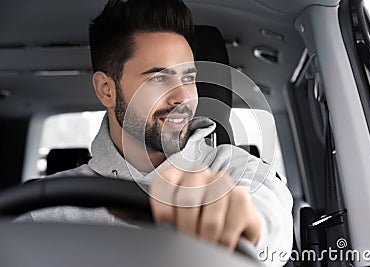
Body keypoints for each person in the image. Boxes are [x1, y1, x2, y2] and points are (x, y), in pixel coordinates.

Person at [17, 0, 293, 265]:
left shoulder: (238, 171)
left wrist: (237, 223)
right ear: (106, 90)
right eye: (159, 78)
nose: (182, 97)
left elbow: (269, 221)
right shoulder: (47, 210)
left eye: (189, 78)